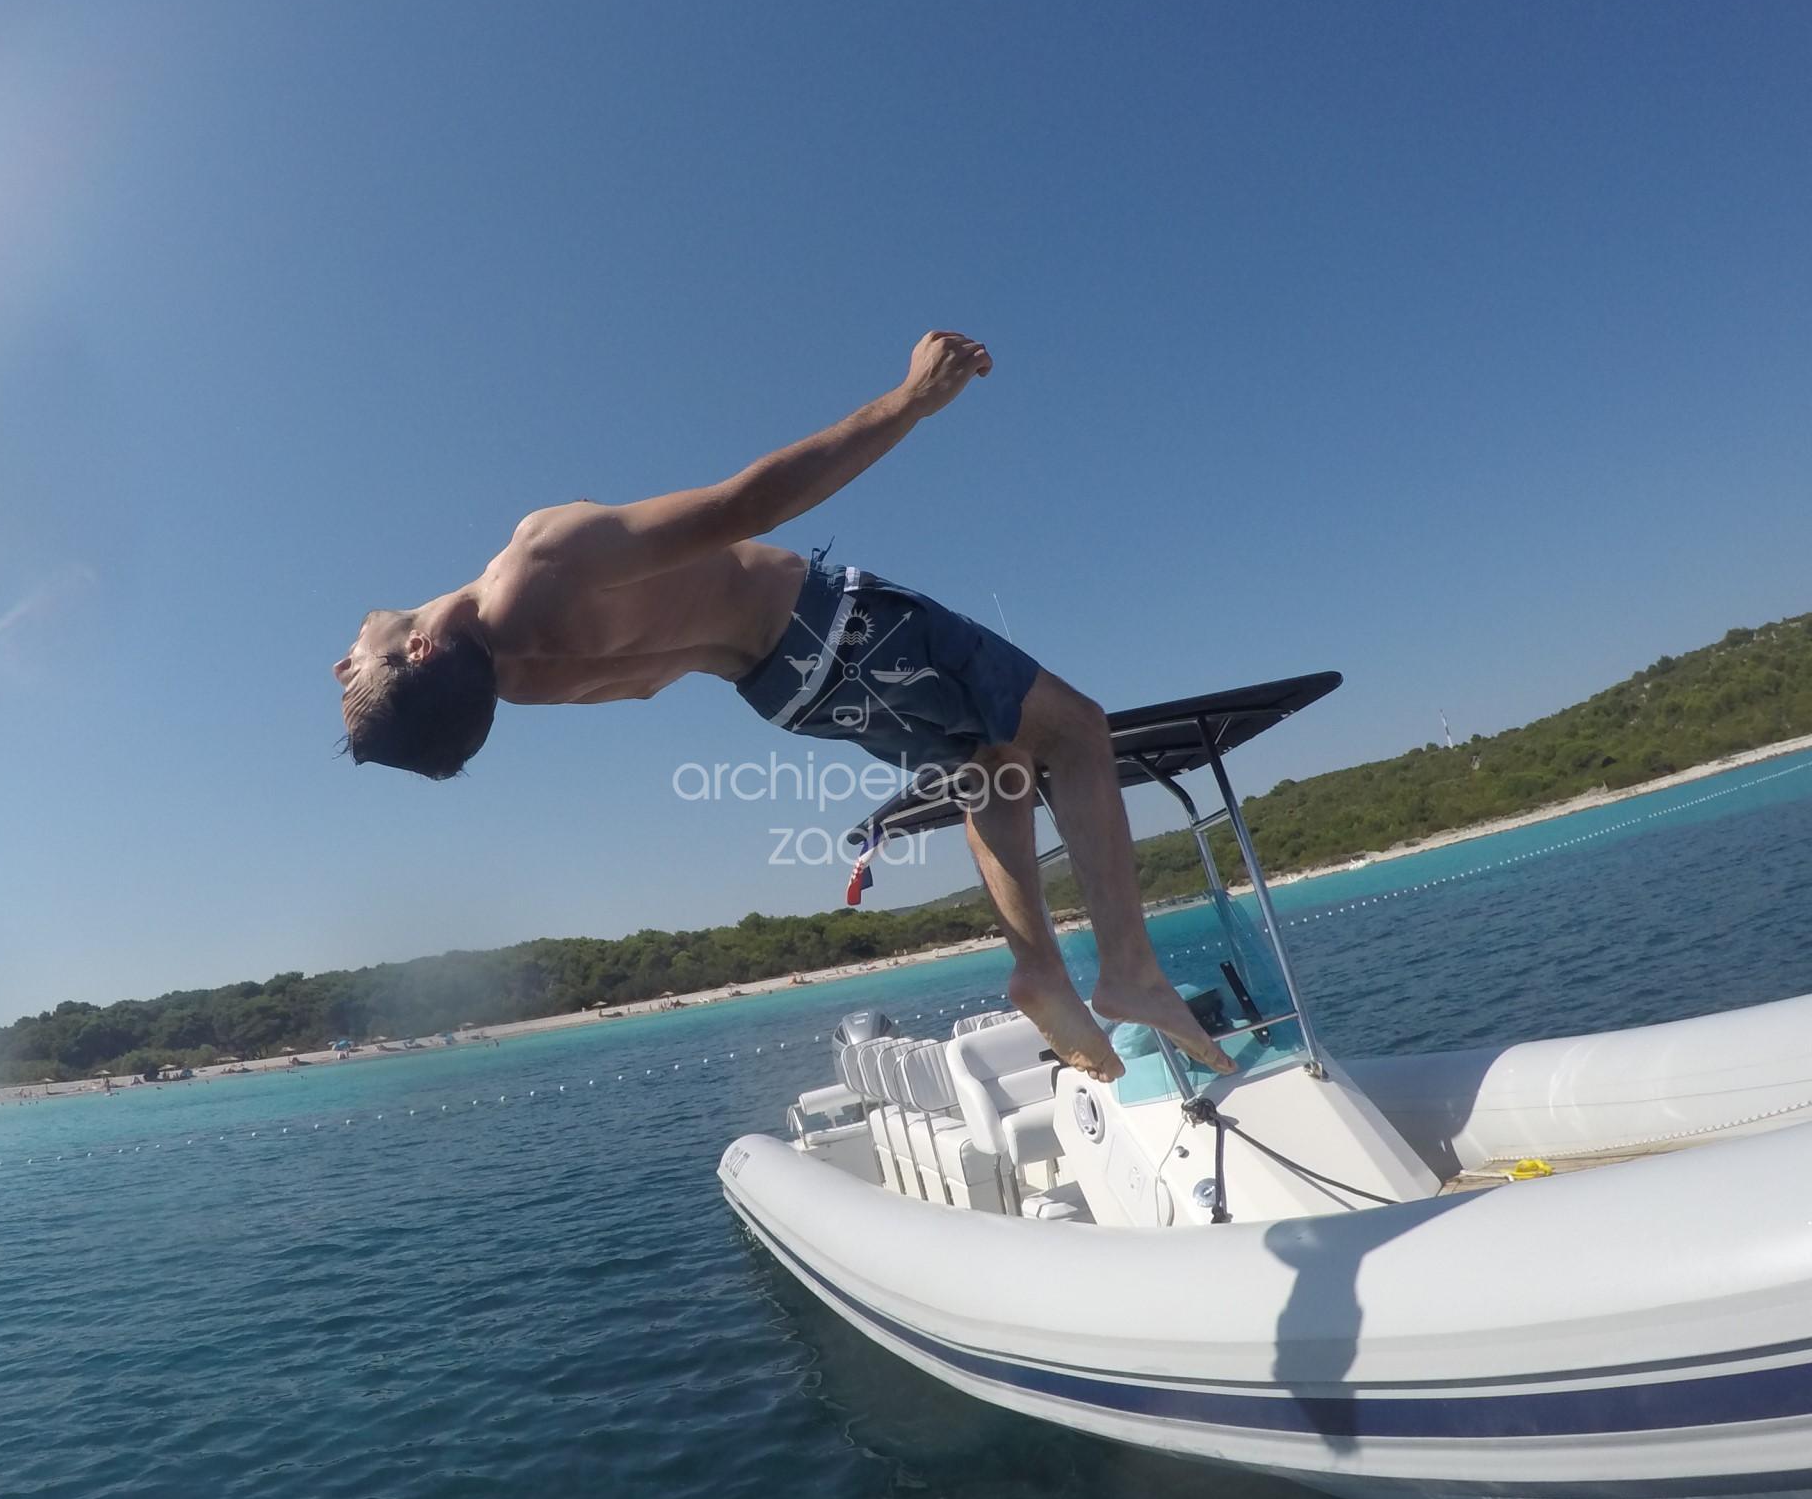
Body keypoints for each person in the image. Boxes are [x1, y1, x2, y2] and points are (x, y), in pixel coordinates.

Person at [334, 332, 1234, 1083]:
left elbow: (637, 679)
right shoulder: (539, 559)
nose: (341, 661)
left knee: (992, 766)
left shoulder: (514, 681)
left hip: (785, 693)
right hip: (830, 624)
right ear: (419, 654)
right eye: (354, 671)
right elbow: (745, 505)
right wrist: (909, 402)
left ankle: (1041, 969)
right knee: (1076, 731)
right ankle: (1130, 969)